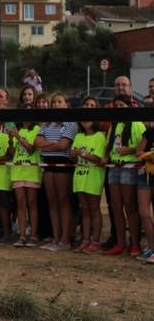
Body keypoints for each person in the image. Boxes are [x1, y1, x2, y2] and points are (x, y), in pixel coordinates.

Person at [102, 95, 145, 256]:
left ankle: (135, 243)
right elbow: (109, 146)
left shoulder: (136, 123)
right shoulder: (115, 124)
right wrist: (106, 157)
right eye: (117, 105)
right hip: (114, 167)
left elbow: (144, 145)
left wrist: (130, 150)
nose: (119, 108)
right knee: (116, 207)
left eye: (122, 105)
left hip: (128, 168)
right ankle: (120, 243)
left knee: (130, 206)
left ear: (129, 106)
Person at [35, 92, 77, 251]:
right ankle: (56, 237)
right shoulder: (47, 124)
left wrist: (45, 144)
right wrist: (51, 144)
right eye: (54, 102)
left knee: (63, 201)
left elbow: (63, 145)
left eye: (59, 101)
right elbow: (36, 142)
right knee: (52, 202)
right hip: (48, 164)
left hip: (63, 164)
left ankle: (65, 240)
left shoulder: (70, 124)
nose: (56, 105)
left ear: (66, 104)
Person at [69, 97, 107, 253]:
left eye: (92, 106)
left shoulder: (100, 136)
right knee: (84, 210)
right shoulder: (78, 136)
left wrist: (81, 153)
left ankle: (96, 241)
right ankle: (85, 239)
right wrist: (73, 154)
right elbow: (73, 154)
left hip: (93, 177)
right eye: (86, 105)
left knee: (94, 209)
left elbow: (98, 158)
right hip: (80, 176)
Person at [8, 106, 41, 246]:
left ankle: (33, 235)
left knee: (32, 203)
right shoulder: (18, 129)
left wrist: (17, 136)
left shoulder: (37, 130)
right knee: (20, 203)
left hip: (32, 171)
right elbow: (11, 153)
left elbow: (31, 149)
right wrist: (10, 140)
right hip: (18, 170)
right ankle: (22, 235)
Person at [135, 96, 154, 261]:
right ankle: (152, 247)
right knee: (143, 213)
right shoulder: (149, 131)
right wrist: (148, 156)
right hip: (145, 175)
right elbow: (138, 152)